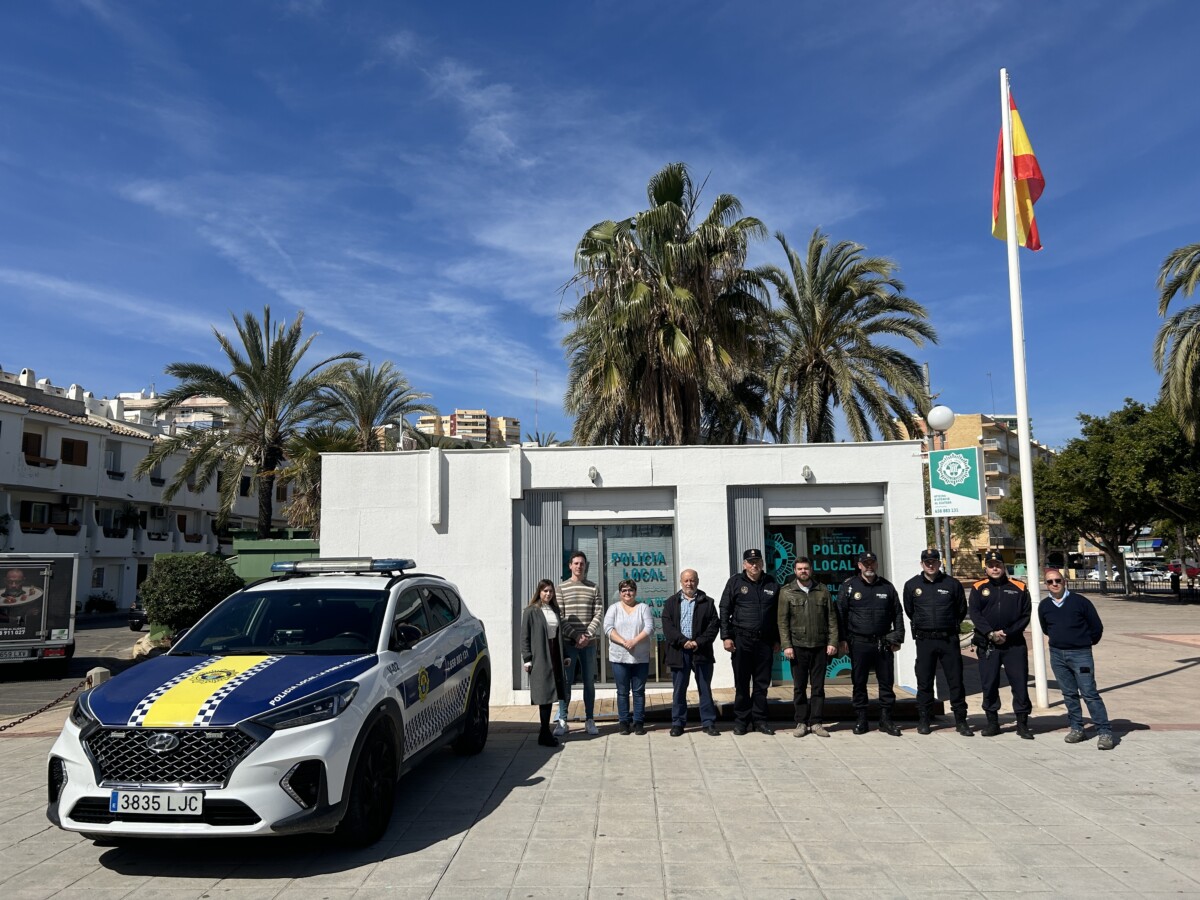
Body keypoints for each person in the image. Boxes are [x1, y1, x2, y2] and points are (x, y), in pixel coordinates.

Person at [1038, 567, 1114, 750]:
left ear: (1064, 582)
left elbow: (1096, 627)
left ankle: (1104, 732)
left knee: (1089, 693)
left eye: (1058, 580)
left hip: (1080, 654)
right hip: (1057, 655)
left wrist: (1084, 643)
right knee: (1069, 694)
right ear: (1046, 584)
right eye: (1050, 582)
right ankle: (1077, 729)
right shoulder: (1045, 605)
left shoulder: (1080, 602)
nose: (1054, 584)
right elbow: (1045, 627)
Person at [903, 548, 973, 736]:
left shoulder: (952, 584)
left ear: (939, 563)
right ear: (921, 564)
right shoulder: (912, 585)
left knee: (955, 681)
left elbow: (960, 610)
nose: (930, 564)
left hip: (948, 639)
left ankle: (961, 720)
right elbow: (910, 611)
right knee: (924, 682)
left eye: (934, 561)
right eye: (927, 561)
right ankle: (924, 720)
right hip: (925, 640)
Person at [838, 551, 905, 735]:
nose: (869, 566)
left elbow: (898, 613)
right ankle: (861, 719)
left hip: (883, 643)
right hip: (858, 642)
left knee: (886, 683)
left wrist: (898, 637)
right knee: (859, 682)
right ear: (859, 565)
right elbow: (840, 614)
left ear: (876, 565)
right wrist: (842, 639)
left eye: (872, 563)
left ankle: (886, 719)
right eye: (865, 563)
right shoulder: (849, 586)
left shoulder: (887, 587)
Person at [969, 549, 1033, 739]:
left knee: (1019, 683)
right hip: (989, 644)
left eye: (998, 565)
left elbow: (1025, 615)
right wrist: (990, 633)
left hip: (1014, 644)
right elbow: (975, 614)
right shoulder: (978, 587)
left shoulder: (1019, 587)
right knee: (989, 684)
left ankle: (1022, 724)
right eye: (991, 566)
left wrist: (1008, 632)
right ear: (986, 568)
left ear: (1003, 567)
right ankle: (992, 723)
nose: (994, 568)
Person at [719, 548, 781, 736]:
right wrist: (726, 636)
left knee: (762, 685)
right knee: (742, 683)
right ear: (744, 564)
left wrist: (777, 639)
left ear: (762, 563)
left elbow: (779, 614)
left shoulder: (771, 583)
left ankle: (760, 720)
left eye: (757, 561)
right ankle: (741, 721)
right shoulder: (735, 582)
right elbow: (724, 609)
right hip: (741, 640)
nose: (754, 565)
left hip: (765, 642)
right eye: (751, 562)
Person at [777, 557, 838, 738]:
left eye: (806, 568)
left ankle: (817, 722)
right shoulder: (787, 592)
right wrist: (786, 645)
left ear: (811, 570)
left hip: (819, 646)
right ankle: (801, 722)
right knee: (799, 687)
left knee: (818, 687)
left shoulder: (822, 590)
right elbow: (782, 622)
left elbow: (832, 619)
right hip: (798, 646)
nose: (803, 571)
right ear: (795, 571)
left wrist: (832, 642)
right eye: (799, 569)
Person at [661, 569, 721, 736]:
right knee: (679, 689)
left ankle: (708, 723)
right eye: (686, 580)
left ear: (697, 581)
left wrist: (697, 642)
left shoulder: (707, 602)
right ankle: (678, 723)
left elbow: (713, 626)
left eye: (692, 580)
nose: (689, 583)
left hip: (701, 651)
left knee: (705, 688)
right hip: (678, 652)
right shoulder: (671, 602)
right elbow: (668, 627)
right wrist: (683, 641)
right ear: (681, 582)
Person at [557, 551, 604, 736]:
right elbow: (560, 616)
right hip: (569, 644)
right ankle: (563, 720)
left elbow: (599, 612)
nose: (579, 566)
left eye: (582, 563)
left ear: (585, 566)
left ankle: (590, 719)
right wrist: (576, 636)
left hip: (589, 644)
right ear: (570, 566)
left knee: (589, 683)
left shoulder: (594, 588)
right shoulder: (561, 588)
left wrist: (587, 635)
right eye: (576, 563)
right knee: (566, 682)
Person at [521, 580, 571, 747]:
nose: (548, 594)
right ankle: (544, 732)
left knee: (551, 694)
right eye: (545, 591)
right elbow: (524, 637)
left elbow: (559, 634)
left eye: (550, 591)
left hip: (555, 653)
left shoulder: (555, 610)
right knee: (543, 694)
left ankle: (545, 732)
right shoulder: (530, 611)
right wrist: (527, 659)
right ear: (539, 592)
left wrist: (565, 655)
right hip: (540, 655)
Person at [604, 579, 655, 735]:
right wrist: (624, 642)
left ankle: (639, 722)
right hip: (619, 657)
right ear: (620, 593)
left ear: (635, 592)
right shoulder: (614, 609)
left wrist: (635, 641)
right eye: (624, 590)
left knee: (639, 691)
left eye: (631, 590)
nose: (628, 593)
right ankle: (624, 722)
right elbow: (607, 628)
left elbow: (650, 628)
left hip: (640, 657)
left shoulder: (643, 608)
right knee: (622, 691)